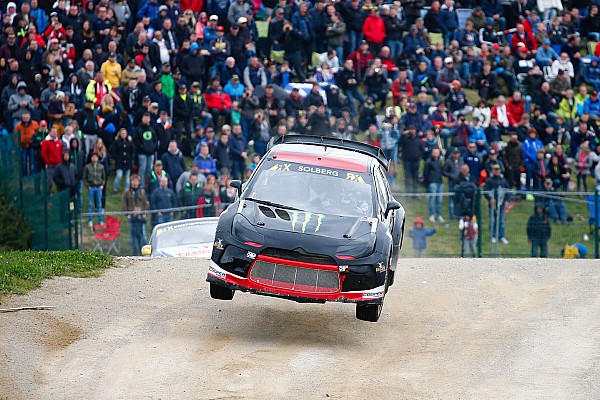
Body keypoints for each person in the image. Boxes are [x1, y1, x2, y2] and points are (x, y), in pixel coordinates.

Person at [122, 174, 149, 256]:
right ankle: (135, 252)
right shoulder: (127, 193)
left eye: (136, 181)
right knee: (133, 235)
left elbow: (145, 203)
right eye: (133, 181)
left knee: (142, 235)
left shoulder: (142, 192)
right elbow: (124, 204)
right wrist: (128, 214)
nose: (135, 182)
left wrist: (143, 212)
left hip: (140, 217)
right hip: (132, 217)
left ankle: (144, 252)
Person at [484, 164, 509, 245]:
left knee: (501, 220)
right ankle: (493, 236)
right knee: (493, 220)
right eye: (495, 169)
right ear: (493, 170)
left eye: (498, 169)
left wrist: (507, 201)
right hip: (492, 203)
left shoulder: (503, 180)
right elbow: (486, 191)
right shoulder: (489, 180)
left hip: (501, 203)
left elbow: (507, 191)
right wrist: (490, 199)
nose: (496, 171)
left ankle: (502, 236)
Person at [83, 152, 106, 229]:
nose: (94, 158)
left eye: (95, 157)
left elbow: (104, 177)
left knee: (99, 204)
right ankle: (90, 220)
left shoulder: (101, 167)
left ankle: (100, 220)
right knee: (90, 204)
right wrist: (88, 186)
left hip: (99, 187)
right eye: (93, 157)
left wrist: (102, 185)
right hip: (91, 187)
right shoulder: (87, 167)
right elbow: (84, 178)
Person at [424, 147, 444, 222]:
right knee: (432, 199)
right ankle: (432, 214)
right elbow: (425, 172)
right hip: (432, 182)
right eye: (434, 152)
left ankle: (439, 215)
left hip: (440, 182)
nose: (436, 153)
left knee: (439, 199)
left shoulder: (440, 161)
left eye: (437, 152)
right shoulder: (428, 161)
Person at [41, 127, 63, 193]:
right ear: (49, 132)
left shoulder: (58, 141)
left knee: (59, 181)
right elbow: (43, 153)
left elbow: (61, 151)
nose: (55, 133)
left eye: (56, 132)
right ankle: (47, 196)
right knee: (49, 182)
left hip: (59, 164)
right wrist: (48, 163)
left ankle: (59, 195)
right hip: (51, 165)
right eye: (53, 131)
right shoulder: (46, 142)